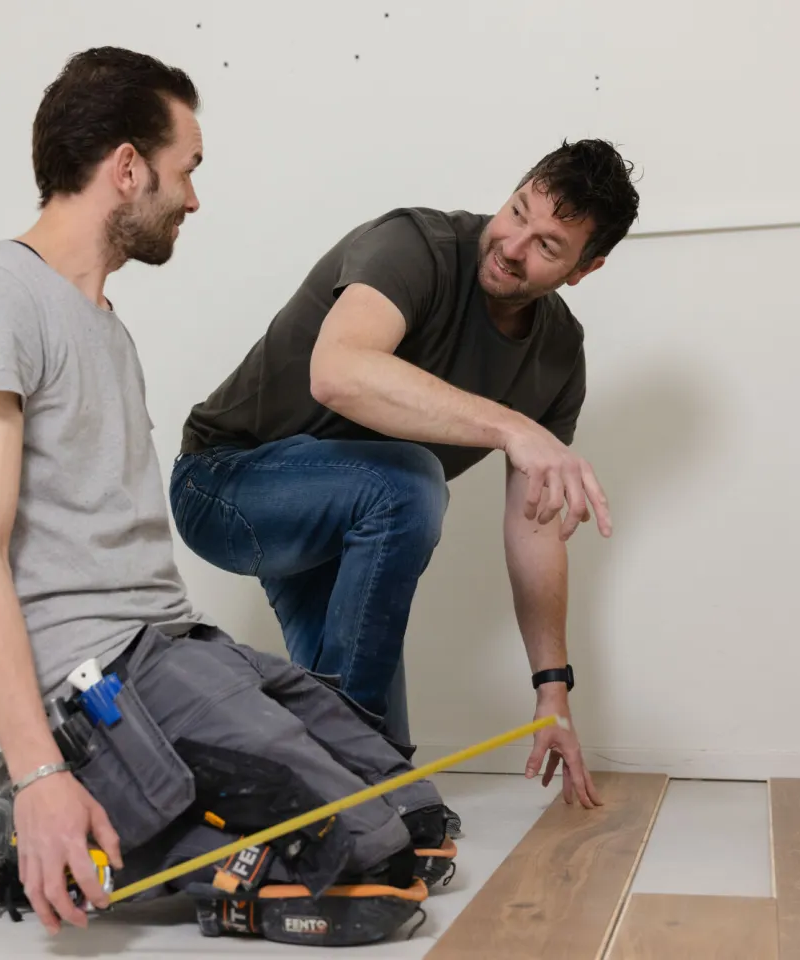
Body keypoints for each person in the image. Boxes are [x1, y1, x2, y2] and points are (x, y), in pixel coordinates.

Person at [0, 47, 449, 945]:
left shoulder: (105, 330)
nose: (193, 196)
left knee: (418, 822)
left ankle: (107, 795)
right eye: (186, 169)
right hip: (97, 678)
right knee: (358, 858)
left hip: (173, 644)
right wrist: (40, 774)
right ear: (125, 167)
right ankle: (11, 811)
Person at [170, 139, 640, 815]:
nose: (511, 245)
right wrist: (512, 427)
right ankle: (349, 763)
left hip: (348, 531)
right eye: (517, 211)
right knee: (413, 480)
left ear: (584, 270)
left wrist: (552, 686)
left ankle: (322, 781)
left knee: (402, 807)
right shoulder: (416, 244)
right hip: (225, 483)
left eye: (547, 245)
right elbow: (337, 372)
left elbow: (534, 527)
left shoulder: (559, 354)